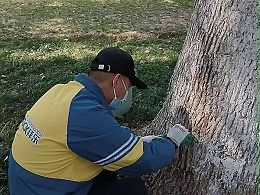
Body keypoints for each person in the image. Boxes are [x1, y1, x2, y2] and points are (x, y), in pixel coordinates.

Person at [8, 47, 191, 195]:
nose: (127, 94)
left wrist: (134, 142)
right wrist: (171, 142)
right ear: (117, 81)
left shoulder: (63, 92)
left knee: (110, 166)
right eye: (128, 87)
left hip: (29, 184)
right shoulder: (86, 114)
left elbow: (87, 135)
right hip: (45, 189)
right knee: (133, 190)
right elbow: (143, 161)